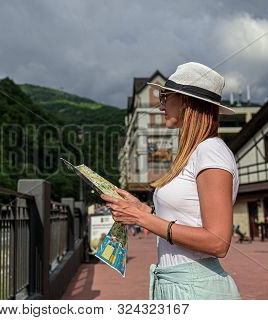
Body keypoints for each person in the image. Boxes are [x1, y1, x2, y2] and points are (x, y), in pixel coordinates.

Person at [101, 62, 240, 299]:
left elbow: (218, 242)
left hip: (194, 289)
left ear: (186, 101)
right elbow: (188, 216)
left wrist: (140, 218)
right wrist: (143, 209)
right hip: (182, 285)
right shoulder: (197, 152)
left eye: (165, 96)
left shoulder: (211, 151)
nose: (160, 105)